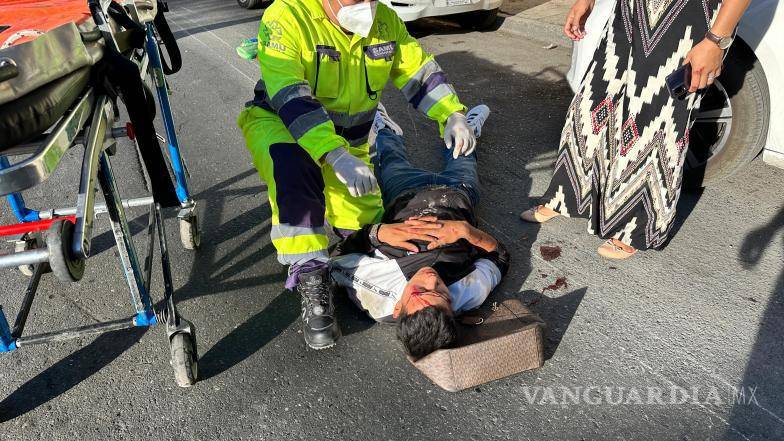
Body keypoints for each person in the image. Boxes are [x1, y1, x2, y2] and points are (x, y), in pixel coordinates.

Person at [237, 0, 477, 349]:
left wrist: (451, 113)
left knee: (363, 229)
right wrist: (333, 154)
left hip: (350, 145)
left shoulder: (386, 23)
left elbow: (418, 71)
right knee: (295, 172)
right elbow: (290, 96)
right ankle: (310, 275)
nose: (365, 4)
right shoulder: (286, 16)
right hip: (283, 126)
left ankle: (338, 245)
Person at [520, 0, 752, 259]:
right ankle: (570, 194)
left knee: (656, 117)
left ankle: (636, 223)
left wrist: (715, 40)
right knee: (595, 101)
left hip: (691, 15)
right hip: (632, 10)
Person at [330, 104, 509, 359]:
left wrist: (378, 234)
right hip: (458, 193)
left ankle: (384, 126)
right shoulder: (468, 294)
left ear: (398, 308)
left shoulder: (374, 294)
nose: (431, 279)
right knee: (464, 152)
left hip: (405, 193)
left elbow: (334, 260)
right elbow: (500, 257)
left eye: (421, 291)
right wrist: (466, 231)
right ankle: (468, 129)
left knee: (390, 154)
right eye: (443, 294)